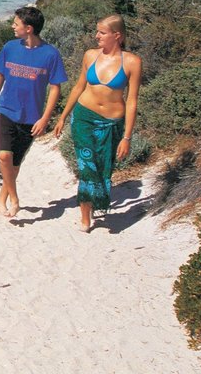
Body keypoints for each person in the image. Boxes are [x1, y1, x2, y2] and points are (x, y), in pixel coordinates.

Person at [54, 14, 141, 233]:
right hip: (83, 118)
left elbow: (131, 102)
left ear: (117, 35)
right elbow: (78, 87)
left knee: (103, 168)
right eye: (97, 31)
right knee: (86, 166)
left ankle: (94, 203)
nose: (97, 36)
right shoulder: (90, 56)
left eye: (102, 32)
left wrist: (127, 137)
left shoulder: (132, 62)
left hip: (111, 124)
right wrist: (63, 116)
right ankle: (85, 215)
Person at [0, 6, 67, 217]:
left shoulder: (50, 54)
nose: (13, 26)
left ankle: (1, 201)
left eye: (16, 23)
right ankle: (15, 199)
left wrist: (45, 118)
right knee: (4, 156)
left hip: (31, 117)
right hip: (7, 109)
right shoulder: (10, 47)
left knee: (14, 166)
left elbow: (55, 88)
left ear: (29, 28)